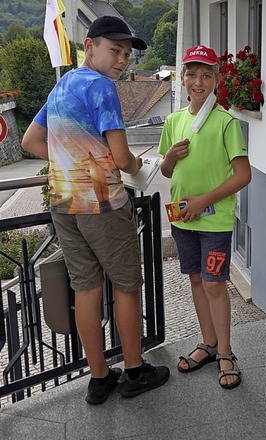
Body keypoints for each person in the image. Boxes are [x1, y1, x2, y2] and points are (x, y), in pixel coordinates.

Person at [21, 15, 170, 404]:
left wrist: (72, 161)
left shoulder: (63, 85)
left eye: (126, 54)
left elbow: (30, 140)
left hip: (63, 203)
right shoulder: (102, 87)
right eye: (114, 50)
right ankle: (135, 371)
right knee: (126, 286)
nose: (122, 60)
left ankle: (99, 378)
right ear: (89, 46)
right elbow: (121, 158)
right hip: (103, 204)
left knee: (85, 288)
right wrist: (140, 167)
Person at [157, 44, 251, 389]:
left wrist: (204, 201)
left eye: (206, 75)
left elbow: (243, 175)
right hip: (182, 220)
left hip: (214, 221)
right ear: (182, 78)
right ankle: (208, 344)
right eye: (192, 74)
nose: (198, 81)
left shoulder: (225, 122)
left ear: (216, 80)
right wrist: (168, 157)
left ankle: (226, 351)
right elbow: (167, 172)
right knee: (196, 281)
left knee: (213, 283)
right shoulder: (173, 121)